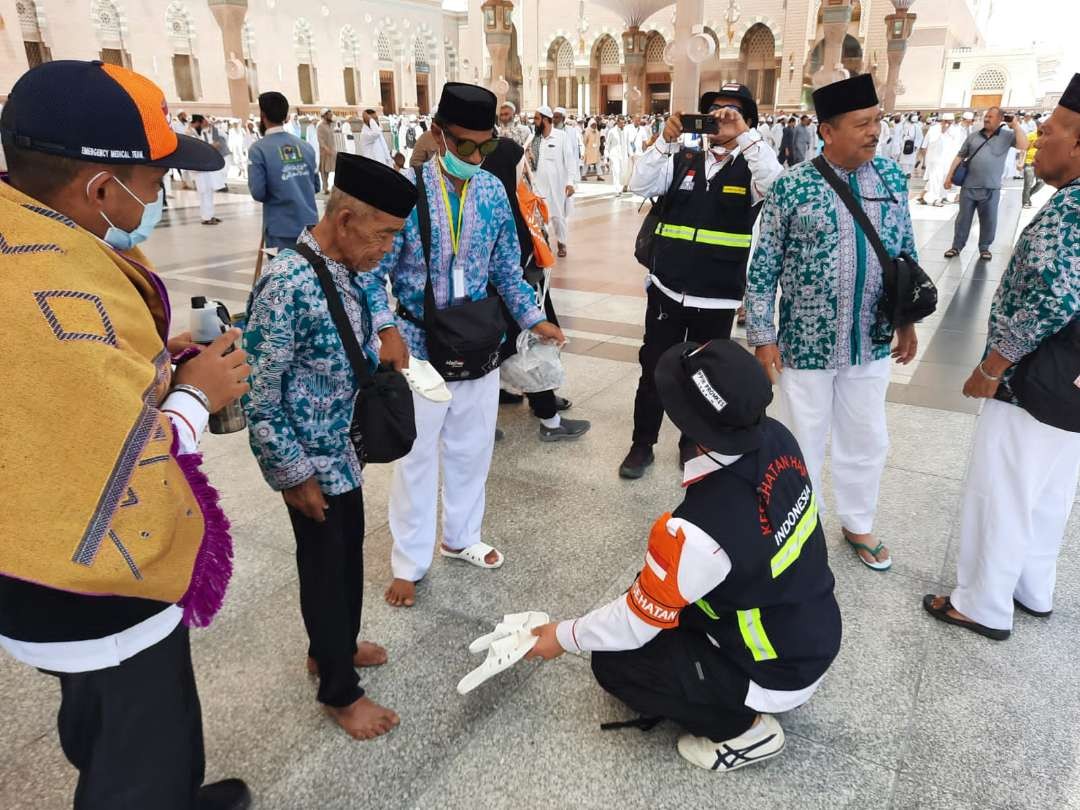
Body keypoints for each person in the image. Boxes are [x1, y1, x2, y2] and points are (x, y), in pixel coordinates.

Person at [0, 59, 250, 810]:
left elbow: (70, 401)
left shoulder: (30, 240)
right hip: (91, 591)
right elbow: (112, 461)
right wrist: (195, 399)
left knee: (103, 718)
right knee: (146, 756)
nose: (160, 192)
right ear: (101, 189)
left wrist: (155, 368)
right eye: (155, 177)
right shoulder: (54, 289)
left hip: (36, 568)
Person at [527, 340, 841, 772]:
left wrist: (561, 636)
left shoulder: (697, 530)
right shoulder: (776, 436)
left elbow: (634, 625)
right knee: (649, 596)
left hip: (774, 666)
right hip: (809, 630)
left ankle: (743, 730)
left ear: (686, 419)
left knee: (616, 662)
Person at [369, 83, 565, 609]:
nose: (475, 158)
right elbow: (372, 275)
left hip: (478, 342)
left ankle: (460, 538)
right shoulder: (407, 192)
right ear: (437, 134)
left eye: (486, 148)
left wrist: (533, 316)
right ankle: (409, 562)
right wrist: (386, 330)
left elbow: (505, 268)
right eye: (463, 147)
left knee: (472, 447)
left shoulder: (492, 192)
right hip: (419, 345)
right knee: (415, 457)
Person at [244, 154, 416, 739]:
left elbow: (375, 296)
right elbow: (258, 395)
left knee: (343, 560)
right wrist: (293, 474)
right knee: (326, 571)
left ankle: (331, 648)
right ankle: (339, 692)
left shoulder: (349, 265)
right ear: (344, 220)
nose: (389, 248)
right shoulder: (286, 284)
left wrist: (388, 331)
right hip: (311, 462)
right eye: (385, 234)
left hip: (345, 453)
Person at [924, 74, 1080, 641]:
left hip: (1037, 376)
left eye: (1055, 129)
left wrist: (993, 366)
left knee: (1003, 488)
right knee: (1049, 489)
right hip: (1072, 386)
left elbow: (1050, 298)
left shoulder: (1073, 211)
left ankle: (983, 602)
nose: (1039, 138)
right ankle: (1030, 587)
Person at [746, 73, 919, 572]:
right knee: (801, 438)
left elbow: (905, 256)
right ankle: (801, 527)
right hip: (805, 344)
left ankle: (858, 522)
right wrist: (763, 337)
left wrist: (906, 320)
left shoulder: (890, 177)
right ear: (827, 130)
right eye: (863, 123)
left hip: (871, 340)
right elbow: (763, 267)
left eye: (877, 121)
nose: (875, 132)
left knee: (866, 436)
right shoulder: (792, 187)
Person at [619, 84, 782, 479]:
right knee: (654, 368)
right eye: (715, 111)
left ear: (747, 120)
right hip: (667, 290)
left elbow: (777, 186)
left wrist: (745, 136)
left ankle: (693, 441)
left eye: (733, 111)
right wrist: (664, 141)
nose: (722, 116)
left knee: (706, 375)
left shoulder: (752, 166)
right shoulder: (683, 157)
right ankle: (643, 443)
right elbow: (638, 184)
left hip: (718, 298)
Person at [484, 137, 592, 441]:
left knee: (501, 356)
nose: (527, 169)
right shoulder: (504, 208)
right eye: (522, 164)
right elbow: (509, 266)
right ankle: (550, 421)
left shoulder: (509, 197)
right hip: (515, 297)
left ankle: (500, 410)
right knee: (531, 349)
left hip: (518, 294)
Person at [944, 106, 1028, 261]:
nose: (987, 119)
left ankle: (984, 248)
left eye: (990, 116)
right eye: (986, 116)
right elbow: (959, 157)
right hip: (969, 186)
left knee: (989, 220)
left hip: (991, 188)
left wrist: (1015, 126)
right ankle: (956, 246)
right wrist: (949, 176)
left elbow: (1023, 146)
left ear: (1000, 119)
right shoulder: (973, 136)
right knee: (963, 219)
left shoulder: (1007, 136)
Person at [247, 91, 320, 254]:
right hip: (310, 226)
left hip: (279, 228)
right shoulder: (305, 146)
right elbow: (316, 186)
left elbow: (258, 192)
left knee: (281, 275)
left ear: (263, 115)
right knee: (308, 274)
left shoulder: (258, 149)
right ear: (285, 116)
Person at [530, 104, 577, 258]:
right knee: (540, 217)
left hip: (557, 185)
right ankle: (544, 245)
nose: (534, 121)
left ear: (546, 119)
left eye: (537, 118)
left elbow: (570, 161)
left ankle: (562, 243)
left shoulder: (561, 136)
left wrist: (570, 182)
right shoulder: (534, 138)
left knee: (558, 216)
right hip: (539, 185)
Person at [920, 112, 961, 206]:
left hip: (948, 160)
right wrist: (942, 132)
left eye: (951, 122)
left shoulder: (955, 130)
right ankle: (934, 199)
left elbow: (957, 144)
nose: (949, 124)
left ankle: (942, 197)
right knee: (935, 180)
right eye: (947, 122)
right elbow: (929, 142)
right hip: (935, 160)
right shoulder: (934, 129)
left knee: (945, 178)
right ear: (943, 121)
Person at [188, 115, 221, 225]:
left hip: (204, 166)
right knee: (204, 192)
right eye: (202, 123)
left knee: (208, 191)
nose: (203, 125)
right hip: (198, 167)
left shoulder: (196, 132)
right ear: (197, 123)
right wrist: (211, 146)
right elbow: (196, 149)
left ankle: (210, 215)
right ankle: (206, 217)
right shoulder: (189, 133)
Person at [605, 116, 633, 195]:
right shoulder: (612, 131)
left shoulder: (626, 131)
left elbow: (628, 144)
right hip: (614, 155)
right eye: (621, 123)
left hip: (623, 155)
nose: (623, 125)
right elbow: (607, 145)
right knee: (616, 171)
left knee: (622, 172)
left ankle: (620, 187)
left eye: (624, 123)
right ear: (617, 123)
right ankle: (617, 190)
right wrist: (606, 156)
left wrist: (631, 154)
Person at [1021, 122, 1044, 208]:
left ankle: (1027, 196)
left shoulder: (1046, 137)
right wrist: (1021, 162)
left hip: (1040, 164)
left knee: (1041, 183)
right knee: (1028, 184)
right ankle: (1025, 202)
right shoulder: (1031, 135)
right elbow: (1024, 149)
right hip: (1029, 162)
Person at [316, 108, 337, 193]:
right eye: (329, 114)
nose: (331, 116)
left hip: (332, 149)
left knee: (330, 168)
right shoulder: (320, 125)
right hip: (324, 151)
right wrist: (325, 148)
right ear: (324, 115)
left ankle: (331, 186)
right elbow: (320, 139)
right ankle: (325, 187)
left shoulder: (330, 124)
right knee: (324, 170)